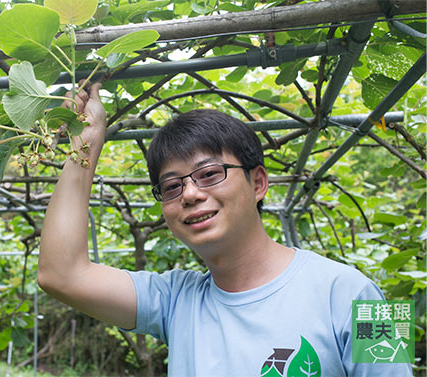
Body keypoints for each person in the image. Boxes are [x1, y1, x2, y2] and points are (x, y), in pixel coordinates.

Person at [37, 83, 412, 376]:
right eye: (171, 186)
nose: (191, 193)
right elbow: (61, 274)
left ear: (259, 183)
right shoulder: (175, 301)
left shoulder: (359, 294)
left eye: (210, 174)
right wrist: (84, 145)